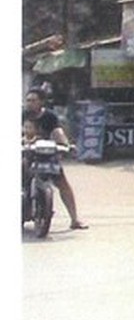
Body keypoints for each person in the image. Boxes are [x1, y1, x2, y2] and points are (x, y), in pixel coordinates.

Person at [22, 89, 85, 230]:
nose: (30, 103)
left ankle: (74, 219)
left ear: (41, 102)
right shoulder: (21, 115)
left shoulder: (49, 116)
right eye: (28, 100)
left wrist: (66, 145)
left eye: (33, 100)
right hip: (26, 154)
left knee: (63, 184)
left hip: (46, 156)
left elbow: (58, 132)